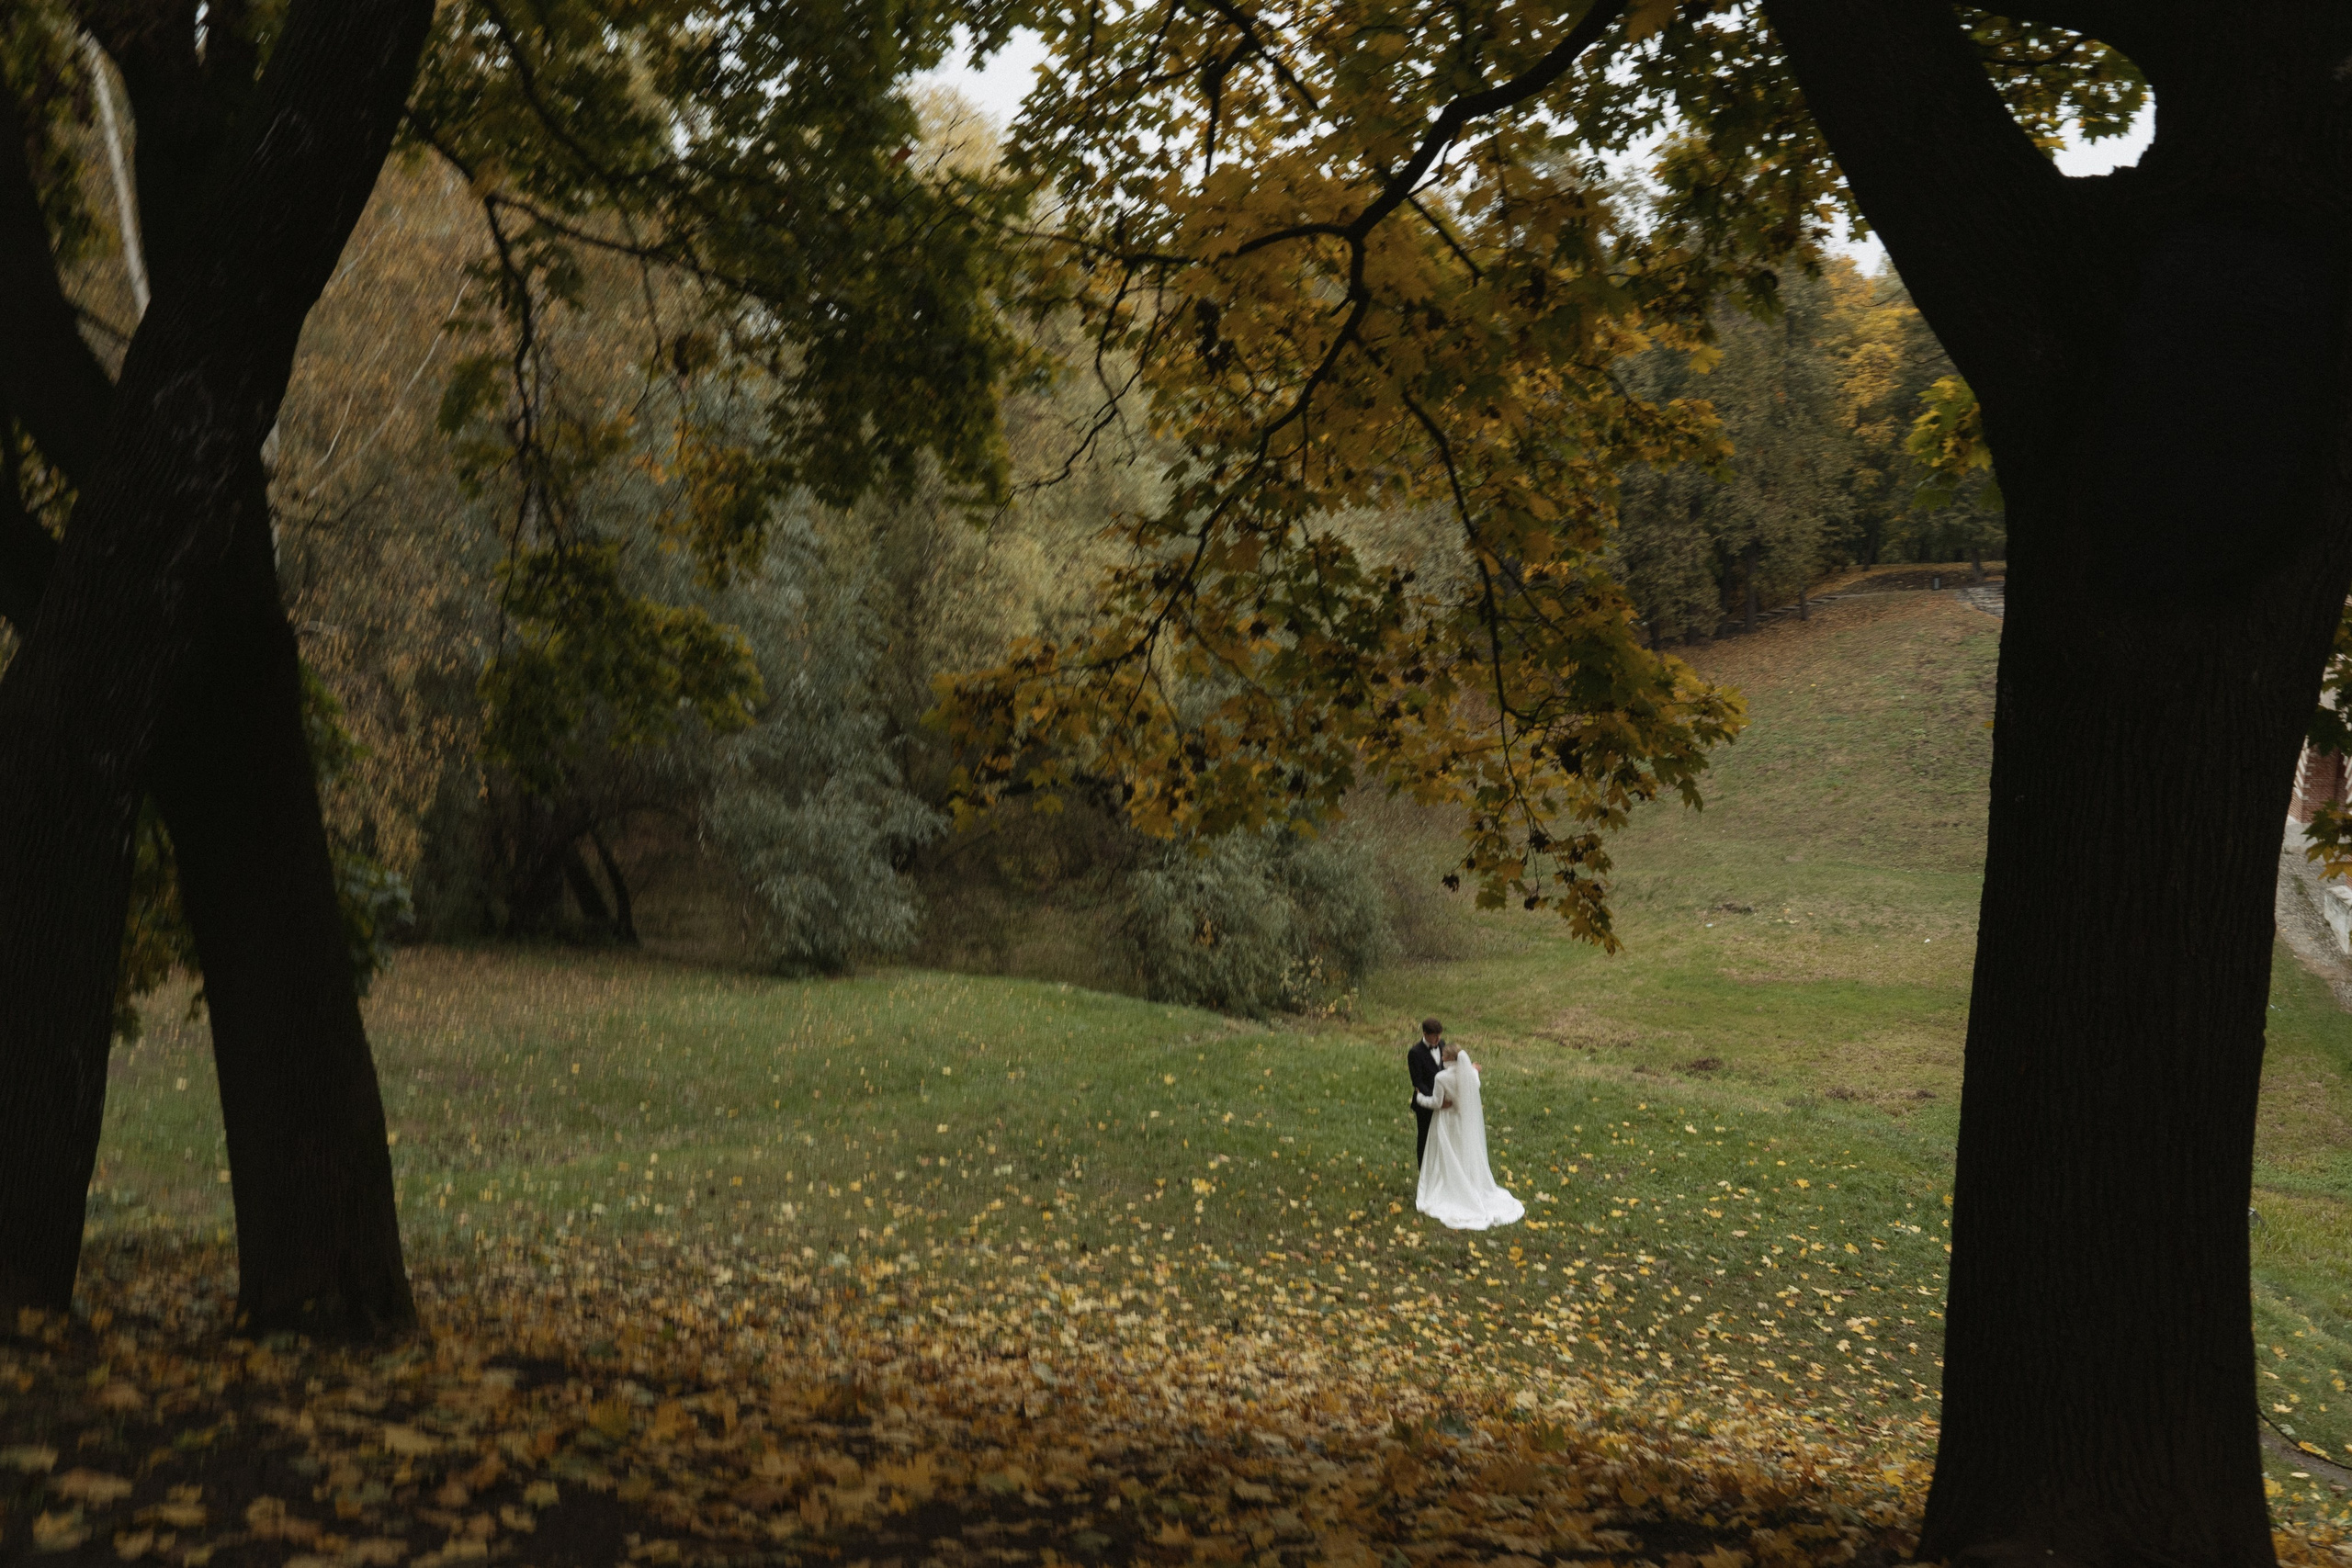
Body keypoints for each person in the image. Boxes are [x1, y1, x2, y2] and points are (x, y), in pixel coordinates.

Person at [1414, 1041, 1524, 1229]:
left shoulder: (1441, 1077)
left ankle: (1448, 1186)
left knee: (1446, 1154)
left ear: (1448, 1058)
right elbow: (1475, 1084)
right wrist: (1474, 1070)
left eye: (1444, 1056)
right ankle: (1466, 1181)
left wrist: (1419, 1097)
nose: (1441, 1058)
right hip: (1462, 1122)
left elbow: (1436, 1102)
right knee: (1462, 1152)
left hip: (1446, 1122)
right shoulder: (1469, 1075)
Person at [1406, 1018, 1444, 1166]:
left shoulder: (1442, 1045)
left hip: (1442, 1100)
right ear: (1425, 1034)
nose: (1437, 1039)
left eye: (1439, 1035)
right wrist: (1435, 1099)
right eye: (1434, 1036)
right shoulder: (1415, 1053)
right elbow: (1418, 1081)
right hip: (1426, 1103)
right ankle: (1423, 1170)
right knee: (1425, 1138)